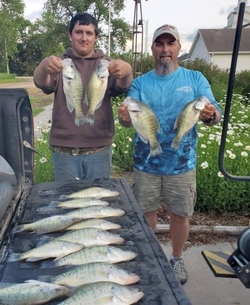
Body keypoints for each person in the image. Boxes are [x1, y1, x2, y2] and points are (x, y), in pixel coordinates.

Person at [118, 24, 222, 284]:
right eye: (159, 44)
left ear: (178, 47)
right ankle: (150, 258)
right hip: (146, 163)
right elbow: (128, 119)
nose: (165, 49)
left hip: (182, 164)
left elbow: (214, 110)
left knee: (180, 215)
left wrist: (211, 115)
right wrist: (124, 118)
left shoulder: (195, 79)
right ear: (152, 48)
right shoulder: (140, 83)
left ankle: (176, 258)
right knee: (146, 214)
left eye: (170, 44)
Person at [33, 12, 133, 181]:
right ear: (70, 35)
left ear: (96, 37)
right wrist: (43, 67)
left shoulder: (106, 64)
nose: (83, 38)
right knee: (68, 199)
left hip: (100, 146)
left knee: (98, 198)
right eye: (79, 32)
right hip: (63, 147)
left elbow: (121, 86)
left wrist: (127, 71)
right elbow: (41, 83)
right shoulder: (60, 63)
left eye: (89, 33)